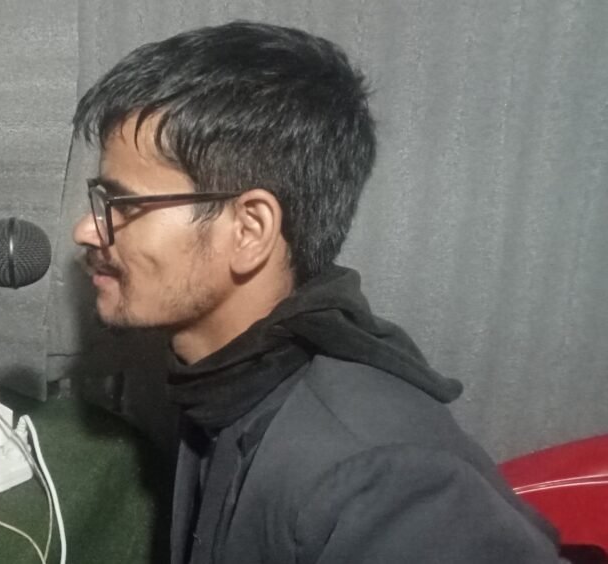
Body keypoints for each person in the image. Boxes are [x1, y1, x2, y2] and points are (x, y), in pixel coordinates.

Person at [70, 21, 560, 564]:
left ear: (249, 230)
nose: (87, 230)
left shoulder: (374, 476)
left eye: (124, 205)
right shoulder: (223, 381)